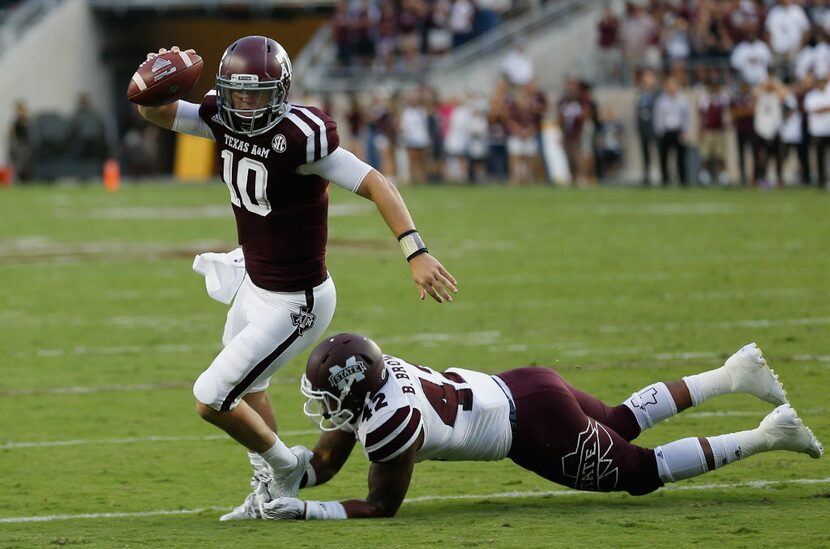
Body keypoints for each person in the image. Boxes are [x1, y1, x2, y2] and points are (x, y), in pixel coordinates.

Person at [133, 38, 458, 521]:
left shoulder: (301, 136)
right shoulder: (220, 116)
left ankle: (286, 467)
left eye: (257, 93)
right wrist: (149, 82)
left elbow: (376, 183)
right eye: (237, 92)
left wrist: (416, 251)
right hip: (255, 283)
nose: (245, 103)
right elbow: (158, 113)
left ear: (280, 90)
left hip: (296, 300)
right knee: (248, 389)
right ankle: (267, 490)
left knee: (211, 397)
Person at [254, 334, 822, 520]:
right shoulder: (380, 389)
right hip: (525, 383)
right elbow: (327, 460)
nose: (324, 405)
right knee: (623, 421)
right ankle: (734, 372)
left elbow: (382, 507)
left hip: (532, 428)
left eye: (329, 395)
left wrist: (309, 509)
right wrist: (283, 476)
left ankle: (773, 432)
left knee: (641, 473)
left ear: (355, 389)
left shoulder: (390, 422)